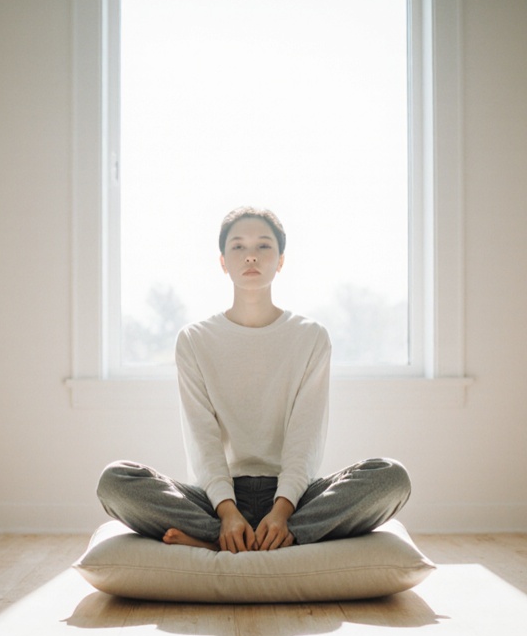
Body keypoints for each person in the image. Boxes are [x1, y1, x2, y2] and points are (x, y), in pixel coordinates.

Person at [97, 206, 411, 553]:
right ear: (222, 262)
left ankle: (232, 540)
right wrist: (227, 511)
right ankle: (236, 535)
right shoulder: (195, 339)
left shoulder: (311, 337)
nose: (250, 256)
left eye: (263, 246)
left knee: (390, 477)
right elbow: (203, 442)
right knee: (116, 481)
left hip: (294, 500)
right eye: (237, 247)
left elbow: (304, 440)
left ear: (280, 261)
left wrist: (282, 510)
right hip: (216, 500)